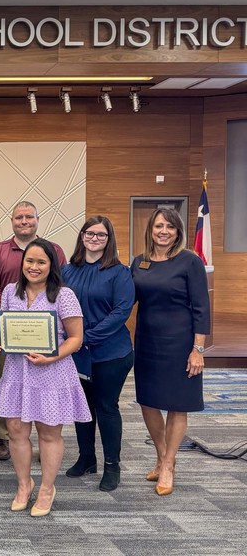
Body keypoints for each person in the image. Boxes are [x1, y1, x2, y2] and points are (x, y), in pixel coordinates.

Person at [0, 238, 90, 517]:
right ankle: (24, 484)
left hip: (52, 372)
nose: (33, 267)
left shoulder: (64, 295)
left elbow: (76, 339)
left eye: (41, 262)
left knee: (48, 433)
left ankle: (47, 488)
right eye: (29, 261)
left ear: (52, 265)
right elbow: (8, 329)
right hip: (17, 370)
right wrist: (0, 343)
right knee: (16, 430)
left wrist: (52, 356)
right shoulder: (11, 292)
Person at [131, 208, 210, 496]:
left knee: (177, 404)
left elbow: (201, 307)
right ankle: (164, 456)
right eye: (158, 226)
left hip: (180, 344)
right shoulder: (139, 262)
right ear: (150, 229)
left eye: (170, 227)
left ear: (178, 232)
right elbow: (128, 300)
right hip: (147, 342)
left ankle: (167, 465)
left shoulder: (189, 261)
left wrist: (197, 349)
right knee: (148, 402)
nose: (163, 231)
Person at [0, 201, 67, 461]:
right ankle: (5, 437)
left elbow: (61, 283)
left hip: (48, 334)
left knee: (45, 385)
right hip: (9, 332)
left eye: (28, 217)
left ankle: (45, 438)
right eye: (18, 217)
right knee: (7, 383)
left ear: (37, 220)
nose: (24, 221)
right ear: (12, 221)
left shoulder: (54, 250)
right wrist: (16, 317)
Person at [61, 216, 135, 492]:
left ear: (109, 239)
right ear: (81, 236)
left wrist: (84, 338)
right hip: (77, 354)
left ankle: (112, 466)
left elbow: (121, 313)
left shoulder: (120, 272)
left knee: (106, 408)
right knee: (83, 408)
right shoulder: (67, 270)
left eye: (101, 235)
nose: (94, 238)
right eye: (90, 233)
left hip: (110, 353)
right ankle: (86, 458)